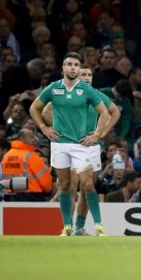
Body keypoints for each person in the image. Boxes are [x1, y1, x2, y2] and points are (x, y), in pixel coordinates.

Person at [29, 52, 109, 236]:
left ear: (79, 69)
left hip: (81, 145)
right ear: (63, 68)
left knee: (88, 184)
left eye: (76, 65)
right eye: (69, 64)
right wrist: (43, 128)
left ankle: (98, 225)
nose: (73, 67)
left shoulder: (86, 89)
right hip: (59, 144)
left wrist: (97, 135)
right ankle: (67, 226)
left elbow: (105, 113)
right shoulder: (53, 88)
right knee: (64, 186)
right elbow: (34, 108)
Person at [41, 64, 121, 235]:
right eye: (83, 74)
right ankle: (67, 226)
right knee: (69, 186)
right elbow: (45, 113)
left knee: (87, 187)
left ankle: (79, 227)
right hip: (69, 144)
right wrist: (62, 128)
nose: (86, 77)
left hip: (90, 146)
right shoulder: (64, 93)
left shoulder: (96, 95)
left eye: (89, 74)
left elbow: (114, 112)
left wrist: (101, 133)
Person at [0, 128, 52, 201]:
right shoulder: (30, 155)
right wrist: (48, 191)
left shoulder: (6, 156)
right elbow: (44, 179)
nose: (34, 139)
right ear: (21, 138)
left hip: (11, 196)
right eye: (31, 137)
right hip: (32, 196)